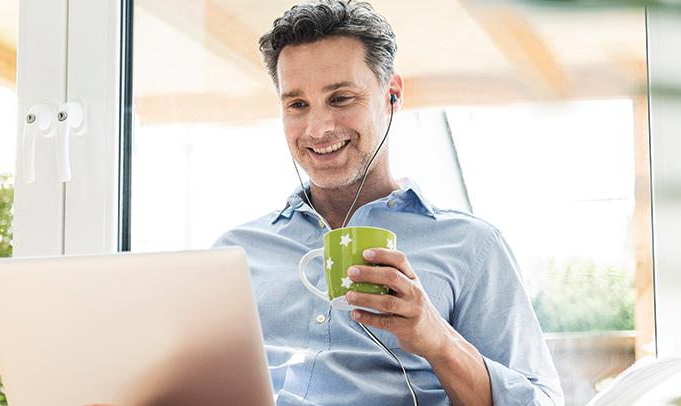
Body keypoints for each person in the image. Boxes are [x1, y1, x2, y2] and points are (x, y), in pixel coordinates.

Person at [213, 1, 563, 405]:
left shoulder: (471, 245)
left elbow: (541, 402)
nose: (318, 128)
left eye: (341, 98)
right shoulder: (236, 254)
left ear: (391, 95)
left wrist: (436, 337)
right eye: (297, 105)